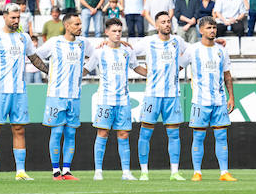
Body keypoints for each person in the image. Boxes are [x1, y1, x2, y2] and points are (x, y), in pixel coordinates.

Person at [0, 3, 46, 181]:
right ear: (4, 17)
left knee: (19, 129)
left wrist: (49, 72)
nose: (16, 21)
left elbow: (34, 59)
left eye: (18, 18)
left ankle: (20, 171)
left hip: (19, 92)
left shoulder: (24, 38)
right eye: (13, 18)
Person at [37, 10, 93, 180]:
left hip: (75, 95)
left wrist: (84, 71)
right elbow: (35, 56)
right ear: (66, 26)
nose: (80, 27)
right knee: (57, 132)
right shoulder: (54, 43)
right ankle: (55, 171)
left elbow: (96, 55)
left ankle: (67, 170)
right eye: (76, 24)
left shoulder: (83, 43)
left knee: (70, 133)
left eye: (80, 24)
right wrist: (47, 71)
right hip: (56, 95)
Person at [86, 17, 144, 180]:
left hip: (124, 100)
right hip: (105, 100)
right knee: (102, 133)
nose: (117, 34)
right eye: (114, 31)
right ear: (106, 32)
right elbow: (87, 68)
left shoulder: (127, 51)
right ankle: (98, 171)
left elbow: (136, 67)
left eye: (119, 31)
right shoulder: (99, 52)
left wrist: (152, 73)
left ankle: (126, 172)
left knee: (124, 134)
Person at [137, 10, 190, 181]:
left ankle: (174, 172)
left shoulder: (178, 41)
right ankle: (144, 171)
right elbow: (127, 51)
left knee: (174, 134)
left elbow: (193, 53)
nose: (167, 24)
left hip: (172, 96)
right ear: (157, 25)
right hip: (152, 95)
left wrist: (216, 42)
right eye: (163, 22)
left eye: (169, 21)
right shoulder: (148, 42)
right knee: (145, 134)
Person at [187, 15, 237, 181]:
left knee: (221, 136)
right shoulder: (192, 50)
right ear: (201, 30)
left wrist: (231, 97)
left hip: (219, 101)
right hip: (200, 102)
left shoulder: (221, 50)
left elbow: (227, 75)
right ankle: (197, 172)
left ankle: (224, 172)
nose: (213, 30)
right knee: (199, 136)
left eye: (214, 27)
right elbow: (177, 65)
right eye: (209, 27)